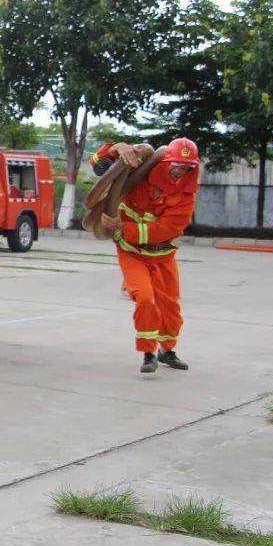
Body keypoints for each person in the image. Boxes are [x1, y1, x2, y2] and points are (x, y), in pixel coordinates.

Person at [91, 138, 200, 374]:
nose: (179, 170)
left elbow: (165, 230)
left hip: (162, 255)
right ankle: (148, 353)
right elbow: (101, 168)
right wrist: (116, 148)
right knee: (145, 298)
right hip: (131, 252)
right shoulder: (142, 169)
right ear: (166, 161)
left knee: (170, 307)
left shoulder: (186, 196)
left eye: (186, 167)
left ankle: (167, 351)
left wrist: (122, 227)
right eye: (175, 164)